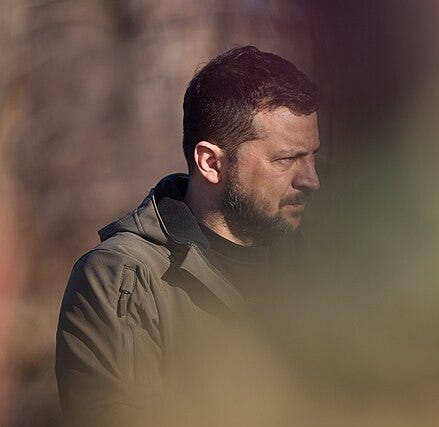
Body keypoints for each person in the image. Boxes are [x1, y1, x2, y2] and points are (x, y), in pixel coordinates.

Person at [55, 46, 320, 425]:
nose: (311, 180)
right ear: (211, 162)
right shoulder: (123, 279)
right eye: (286, 159)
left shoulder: (320, 268)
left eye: (312, 157)